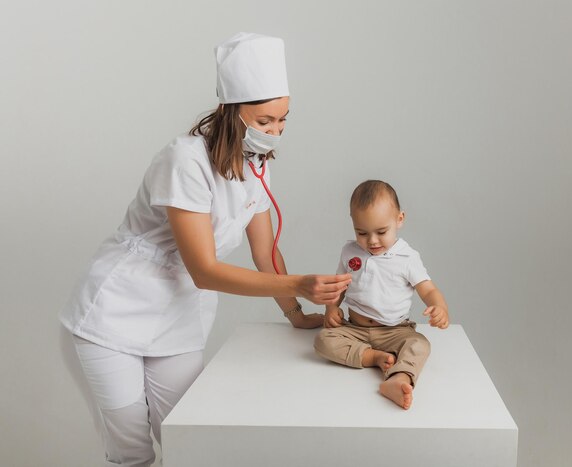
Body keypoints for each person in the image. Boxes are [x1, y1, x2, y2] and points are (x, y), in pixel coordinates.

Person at [59, 32, 351, 467]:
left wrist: (294, 312)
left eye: (283, 120)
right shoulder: (185, 160)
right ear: (232, 111)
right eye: (265, 120)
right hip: (113, 316)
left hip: (177, 318)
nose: (276, 132)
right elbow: (204, 270)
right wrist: (300, 285)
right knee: (132, 452)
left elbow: (266, 252)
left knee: (186, 443)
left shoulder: (257, 168)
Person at [314, 180, 449, 410]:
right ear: (353, 224)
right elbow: (340, 285)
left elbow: (428, 289)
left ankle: (399, 379)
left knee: (419, 344)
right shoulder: (350, 252)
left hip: (394, 331)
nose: (372, 241)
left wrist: (439, 308)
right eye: (362, 232)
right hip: (354, 329)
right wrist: (331, 308)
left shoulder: (407, 257)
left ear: (400, 219)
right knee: (323, 341)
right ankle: (374, 357)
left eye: (381, 232)